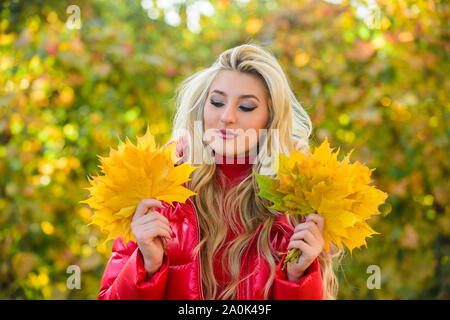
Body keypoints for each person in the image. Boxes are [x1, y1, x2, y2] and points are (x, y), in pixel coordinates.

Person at [98, 43, 342, 300]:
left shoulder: (298, 200)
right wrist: (147, 266)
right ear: (202, 108)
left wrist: (297, 279)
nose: (227, 116)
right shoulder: (156, 188)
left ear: (270, 121)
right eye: (216, 102)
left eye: (246, 107)